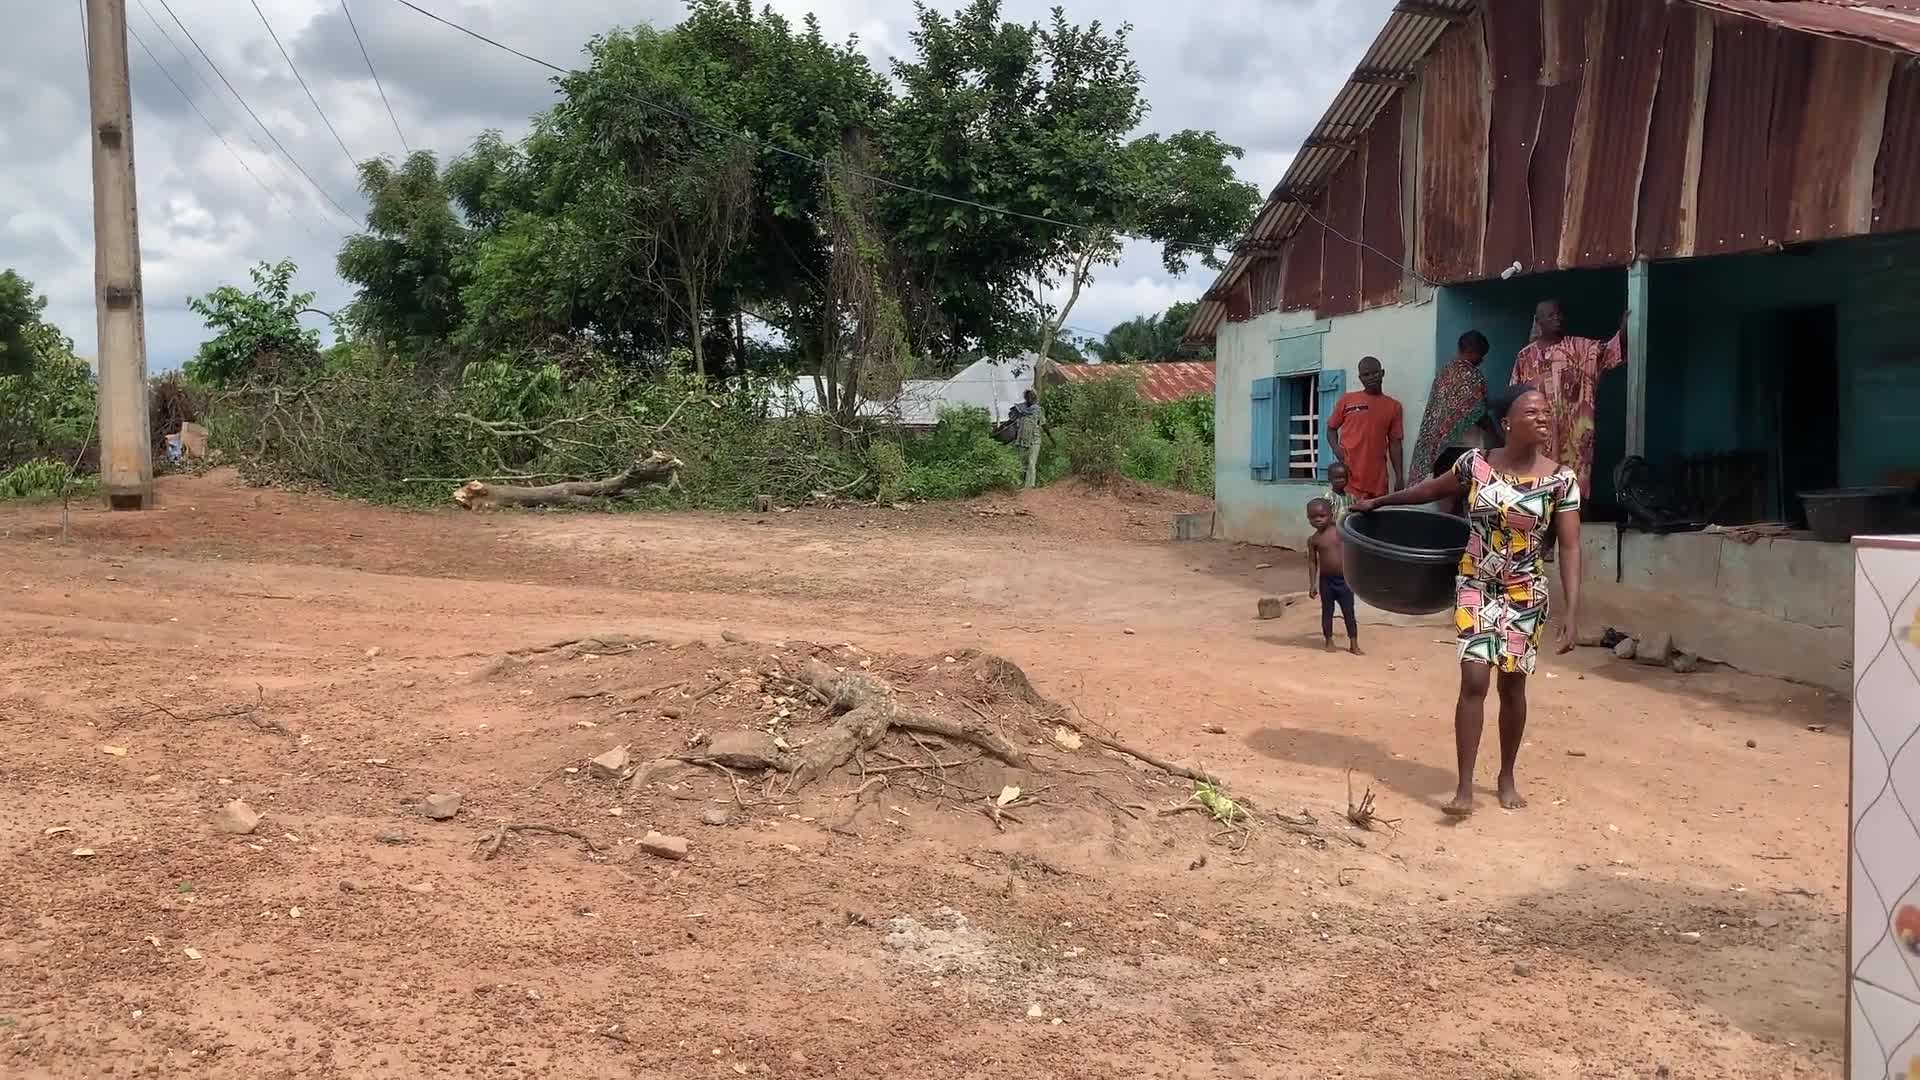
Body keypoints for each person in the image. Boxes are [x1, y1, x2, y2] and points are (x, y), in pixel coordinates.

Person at [1352, 384, 1583, 816]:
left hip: (1525, 592)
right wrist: (1379, 502)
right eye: (1532, 412)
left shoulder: (1560, 480)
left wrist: (1572, 612)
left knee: (1512, 685)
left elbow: (1569, 547)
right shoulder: (1475, 464)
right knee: (1474, 680)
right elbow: (1428, 491)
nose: (1543, 418)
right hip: (1476, 584)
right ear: (1506, 423)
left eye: (1545, 412)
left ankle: (1506, 775)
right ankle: (1463, 787)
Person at [1510, 300, 1627, 498]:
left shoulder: (1579, 348)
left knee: (1575, 490)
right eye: (1550, 315)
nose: (1557, 318)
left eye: (1559, 314)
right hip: (1538, 437)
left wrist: (1624, 329)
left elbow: (1608, 353)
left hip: (1574, 439)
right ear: (1538, 321)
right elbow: (1515, 397)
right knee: (1537, 490)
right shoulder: (1525, 357)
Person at [1411, 330, 1499, 482]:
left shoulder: (1443, 373)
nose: (1482, 360)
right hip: (1465, 448)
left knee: (1442, 489)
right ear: (1472, 351)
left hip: (1440, 448)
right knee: (1465, 489)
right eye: (1481, 355)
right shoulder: (1472, 376)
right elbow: (1478, 413)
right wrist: (1497, 437)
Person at [1327, 356, 1404, 501]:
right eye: (1366, 375)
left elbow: (1395, 443)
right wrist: (1337, 449)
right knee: (1348, 513)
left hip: (1378, 479)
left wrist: (1399, 477)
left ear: (1382, 373)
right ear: (1360, 378)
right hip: (1350, 476)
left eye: (1375, 373)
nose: (1371, 377)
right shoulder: (1347, 400)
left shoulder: (1394, 406)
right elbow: (1331, 428)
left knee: (1376, 514)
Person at [1306, 498, 1360, 655]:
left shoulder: (1341, 531)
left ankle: (1354, 643)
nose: (1317, 520)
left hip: (1345, 580)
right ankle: (1329, 640)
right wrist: (1312, 584)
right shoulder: (1313, 540)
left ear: (1331, 515)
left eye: (1321, 515)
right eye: (1312, 517)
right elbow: (1312, 562)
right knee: (1327, 612)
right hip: (1326, 581)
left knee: (1349, 612)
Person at [1008, 389, 1046, 489]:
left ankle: (1029, 487)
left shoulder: (1038, 410)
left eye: (1032, 397)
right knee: (1020, 462)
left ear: (1035, 398)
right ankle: (1017, 484)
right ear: (1026, 398)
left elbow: (1043, 424)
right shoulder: (1020, 409)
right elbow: (1011, 417)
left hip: (1035, 438)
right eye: (1028, 397)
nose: (1030, 399)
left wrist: (1050, 437)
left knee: (1031, 463)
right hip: (1023, 438)